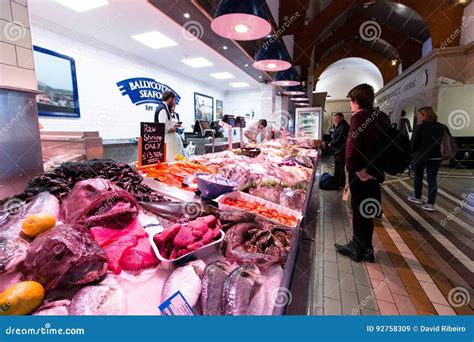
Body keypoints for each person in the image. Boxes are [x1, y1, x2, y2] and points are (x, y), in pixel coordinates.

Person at [334, 84, 390, 263]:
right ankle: (367, 249)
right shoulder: (382, 117)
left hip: (360, 172)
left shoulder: (359, 117)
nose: (350, 105)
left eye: (350, 101)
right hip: (375, 172)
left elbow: (352, 148)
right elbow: (388, 144)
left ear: (357, 100)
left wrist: (356, 169)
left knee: (358, 212)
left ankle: (357, 249)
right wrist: (376, 169)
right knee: (367, 211)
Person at [407, 106, 446, 211]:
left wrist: (409, 154)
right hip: (436, 157)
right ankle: (431, 204)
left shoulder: (419, 128)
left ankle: (417, 197)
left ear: (425, 116)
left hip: (421, 156)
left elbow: (413, 144)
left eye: (419, 115)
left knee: (418, 177)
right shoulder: (441, 127)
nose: (417, 117)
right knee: (432, 179)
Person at [154, 90, 182, 162]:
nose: (174, 102)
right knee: (169, 161)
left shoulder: (165, 108)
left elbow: (166, 124)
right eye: (174, 99)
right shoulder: (163, 109)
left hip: (169, 141)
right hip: (166, 141)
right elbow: (163, 128)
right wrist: (174, 129)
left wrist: (173, 125)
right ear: (170, 98)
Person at [328, 113, 350, 188]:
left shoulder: (343, 126)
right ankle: (339, 182)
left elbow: (341, 139)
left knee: (340, 167)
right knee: (338, 167)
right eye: (335, 118)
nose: (335, 120)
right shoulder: (341, 125)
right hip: (338, 150)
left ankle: (339, 183)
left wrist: (331, 144)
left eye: (337, 118)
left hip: (340, 150)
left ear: (342, 118)